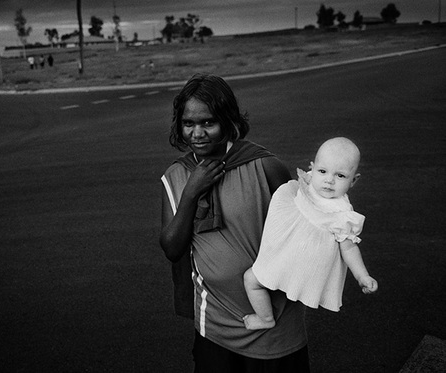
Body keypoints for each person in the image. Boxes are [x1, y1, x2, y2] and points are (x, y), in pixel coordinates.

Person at [160, 73, 309, 372]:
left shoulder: (264, 165)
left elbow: (302, 231)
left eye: (208, 123)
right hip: (214, 323)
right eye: (188, 124)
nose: (197, 133)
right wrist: (191, 192)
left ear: (228, 121)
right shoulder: (176, 176)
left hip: (275, 321)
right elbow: (172, 248)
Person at [243, 137, 378, 330]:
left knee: (252, 280)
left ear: (353, 180)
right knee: (254, 278)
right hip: (285, 245)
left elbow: (349, 248)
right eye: (322, 171)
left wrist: (362, 276)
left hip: (302, 260)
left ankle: (265, 318)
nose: (329, 180)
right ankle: (268, 310)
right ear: (312, 168)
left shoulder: (342, 214)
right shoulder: (306, 182)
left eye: (340, 176)